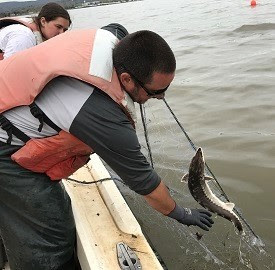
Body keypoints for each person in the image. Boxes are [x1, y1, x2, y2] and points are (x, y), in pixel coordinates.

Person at [0, 25, 214, 270]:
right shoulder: (103, 115)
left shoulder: (106, 39)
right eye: (156, 91)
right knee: (52, 229)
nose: (161, 98)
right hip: (3, 148)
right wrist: (181, 213)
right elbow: (147, 186)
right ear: (126, 79)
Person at [0, 2, 71, 59]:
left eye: (64, 30)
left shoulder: (37, 33)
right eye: (58, 27)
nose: (62, 33)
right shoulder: (24, 37)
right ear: (43, 21)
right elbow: (8, 70)